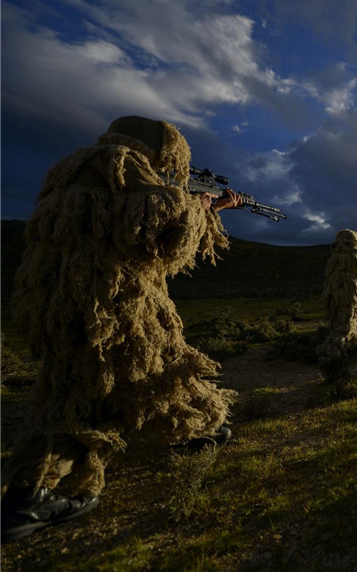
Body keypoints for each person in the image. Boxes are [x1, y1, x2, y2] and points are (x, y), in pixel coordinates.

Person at [1, 116, 242, 542]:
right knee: (109, 388)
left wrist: (206, 208)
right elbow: (158, 231)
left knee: (100, 380)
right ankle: (30, 498)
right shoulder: (121, 162)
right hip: (110, 301)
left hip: (62, 298)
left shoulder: (74, 168)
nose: (168, 166)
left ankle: (192, 429)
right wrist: (201, 208)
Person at [317, 229, 357, 360]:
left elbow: (328, 276)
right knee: (347, 319)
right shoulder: (354, 255)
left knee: (340, 319)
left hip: (337, 292)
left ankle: (341, 343)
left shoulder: (335, 257)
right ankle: (338, 347)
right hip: (348, 294)